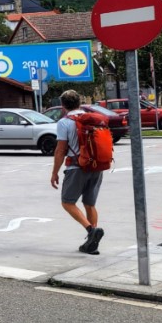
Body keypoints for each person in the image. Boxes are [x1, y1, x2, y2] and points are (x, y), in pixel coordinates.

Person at [49, 89, 105, 254]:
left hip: (76, 167)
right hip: (97, 166)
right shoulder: (91, 118)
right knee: (90, 204)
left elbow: (60, 150)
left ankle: (90, 230)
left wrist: (54, 173)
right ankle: (92, 244)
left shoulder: (64, 122)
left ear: (63, 105)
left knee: (67, 202)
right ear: (79, 103)